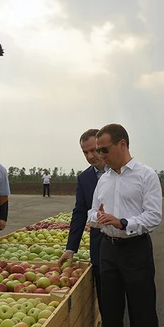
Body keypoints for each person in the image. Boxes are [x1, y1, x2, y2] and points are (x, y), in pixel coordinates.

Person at [87, 123, 163, 327]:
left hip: (135, 249)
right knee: (110, 312)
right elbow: (91, 212)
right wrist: (98, 218)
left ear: (122, 145)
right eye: (98, 150)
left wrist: (123, 222)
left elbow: (153, 216)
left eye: (104, 150)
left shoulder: (145, 175)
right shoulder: (104, 179)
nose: (100, 156)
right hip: (108, 249)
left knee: (143, 313)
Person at [60, 129, 106, 313]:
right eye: (85, 152)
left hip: (125, 244)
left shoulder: (122, 172)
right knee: (105, 298)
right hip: (99, 246)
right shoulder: (85, 177)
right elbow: (79, 213)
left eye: (93, 150)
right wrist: (71, 248)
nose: (90, 156)